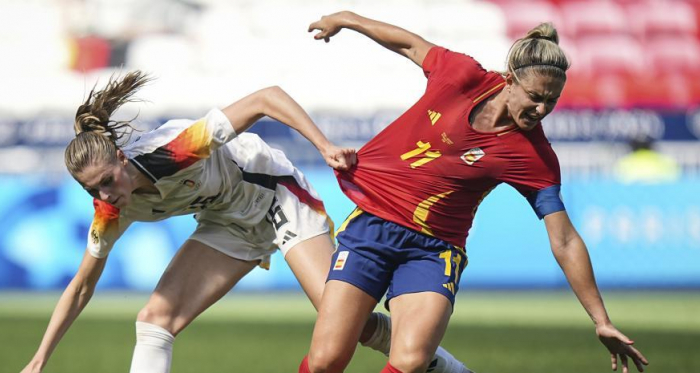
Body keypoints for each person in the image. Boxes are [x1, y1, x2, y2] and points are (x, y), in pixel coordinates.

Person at [19, 72, 466, 373]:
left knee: (356, 329)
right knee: (154, 320)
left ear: (122, 157)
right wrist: (40, 359)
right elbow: (80, 286)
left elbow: (265, 98)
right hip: (225, 221)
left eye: (106, 181)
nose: (104, 195)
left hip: (276, 198)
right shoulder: (110, 210)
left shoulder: (174, 150)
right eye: (91, 190)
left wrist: (325, 145)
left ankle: (451, 369)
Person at [300, 11, 650, 373]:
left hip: (433, 251)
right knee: (326, 360)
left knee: (409, 362)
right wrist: (347, 19)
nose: (541, 109)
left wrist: (600, 319)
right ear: (509, 80)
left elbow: (564, 240)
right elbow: (408, 44)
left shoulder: (534, 156)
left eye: (551, 101)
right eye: (534, 97)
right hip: (373, 225)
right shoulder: (461, 75)